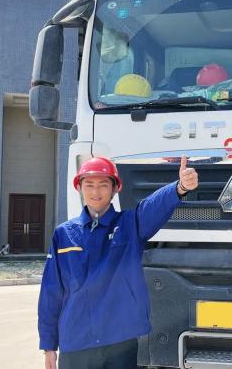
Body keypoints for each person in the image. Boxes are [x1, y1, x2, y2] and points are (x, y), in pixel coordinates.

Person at [38, 156, 198, 369]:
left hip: (120, 342)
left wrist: (179, 188)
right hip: (76, 341)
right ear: (79, 188)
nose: (96, 191)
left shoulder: (129, 225)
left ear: (115, 189)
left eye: (103, 185)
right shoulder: (63, 234)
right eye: (89, 184)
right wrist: (49, 346)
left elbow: (152, 207)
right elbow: (51, 292)